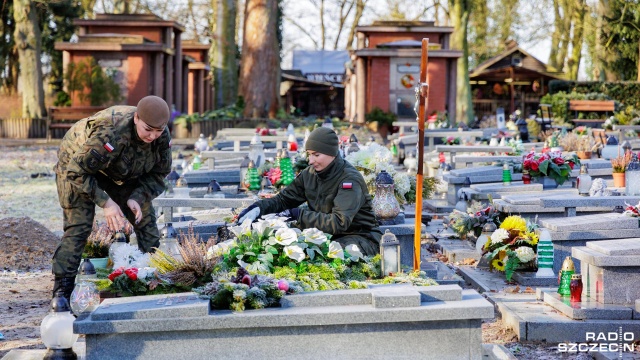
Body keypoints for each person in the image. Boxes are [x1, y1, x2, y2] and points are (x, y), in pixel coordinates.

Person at [52, 95, 173, 301]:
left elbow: (159, 174)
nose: (153, 136)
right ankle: (63, 290)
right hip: (78, 164)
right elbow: (77, 171)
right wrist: (106, 203)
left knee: (144, 218)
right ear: (136, 118)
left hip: (119, 169)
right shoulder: (111, 131)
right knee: (79, 226)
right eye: (148, 130)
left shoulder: (161, 136)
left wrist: (137, 197)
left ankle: (153, 277)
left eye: (158, 131)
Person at [237, 127, 381, 256]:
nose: (311, 161)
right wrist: (257, 208)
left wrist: (298, 215)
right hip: (327, 236)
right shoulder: (310, 174)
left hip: (360, 238)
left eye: (316, 155)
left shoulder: (349, 180)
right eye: (309, 154)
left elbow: (339, 222)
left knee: (327, 255)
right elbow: (284, 200)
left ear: (332, 153)